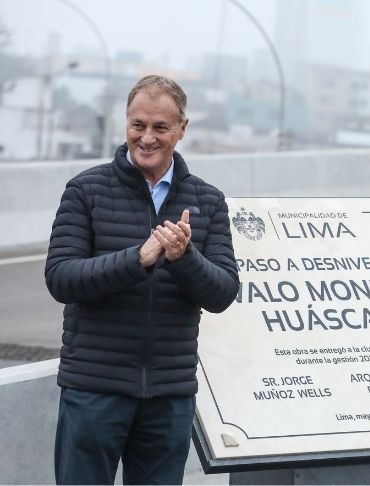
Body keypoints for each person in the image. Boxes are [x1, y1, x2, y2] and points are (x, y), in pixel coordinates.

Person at [45, 74, 240, 485]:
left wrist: (184, 258)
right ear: (126, 124)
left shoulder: (207, 200)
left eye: (160, 127)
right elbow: (61, 278)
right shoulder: (85, 190)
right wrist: (139, 257)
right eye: (138, 125)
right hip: (94, 391)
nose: (146, 138)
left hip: (169, 397)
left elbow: (223, 292)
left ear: (182, 129)